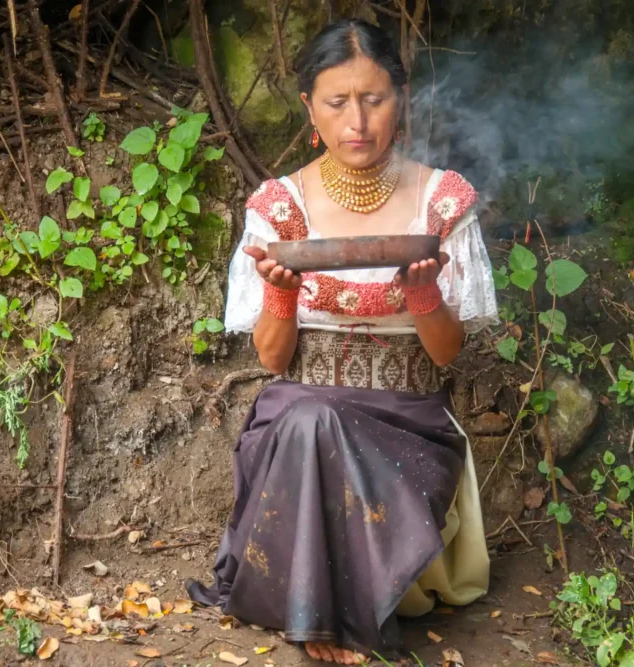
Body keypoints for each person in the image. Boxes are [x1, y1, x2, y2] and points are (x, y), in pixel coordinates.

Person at [187, 18, 499, 664]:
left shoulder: (439, 204)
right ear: (309, 108)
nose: (357, 121)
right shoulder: (278, 209)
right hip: (295, 433)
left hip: (407, 428)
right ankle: (318, 618)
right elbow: (273, 359)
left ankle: (318, 608)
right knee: (310, 415)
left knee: (315, 419)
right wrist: (279, 291)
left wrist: (422, 294)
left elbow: (446, 354)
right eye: (337, 102)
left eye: (374, 98)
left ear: (401, 99)